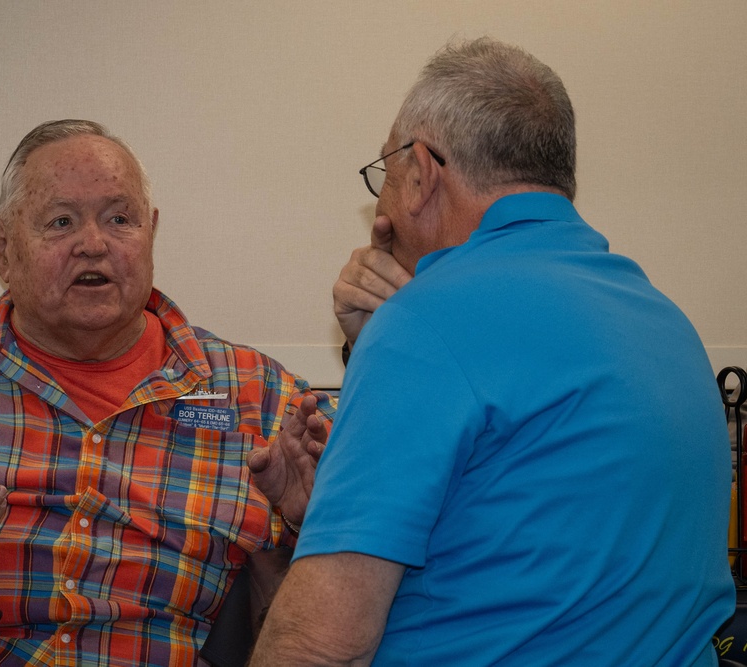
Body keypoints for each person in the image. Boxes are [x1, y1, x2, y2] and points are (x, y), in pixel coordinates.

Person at [250, 37, 734, 666]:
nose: (383, 208)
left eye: (386, 175)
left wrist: (401, 336)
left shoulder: (425, 326)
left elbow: (319, 647)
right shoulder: (668, 323)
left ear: (422, 172)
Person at [0, 119, 333, 665]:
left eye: (120, 219)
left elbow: (382, 552)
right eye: (61, 222)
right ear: (2, 247)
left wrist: (314, 515)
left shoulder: (260, 393)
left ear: (151, 234)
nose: (93, 245)